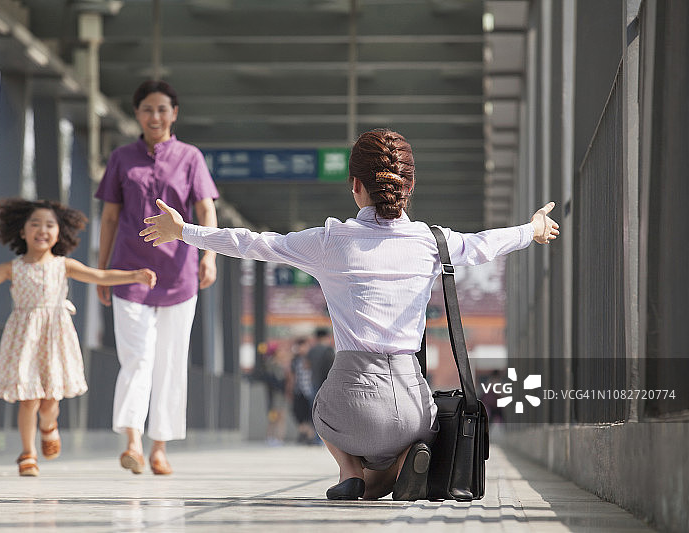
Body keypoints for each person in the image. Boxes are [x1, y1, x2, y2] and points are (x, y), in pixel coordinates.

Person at [139, 128, 559, 500]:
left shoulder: (331, 240)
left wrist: (184, 232)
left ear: (356, 185)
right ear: (409, 187)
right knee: (397, 446)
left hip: (351, 399)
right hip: (416, 406)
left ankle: (351, 471)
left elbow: (252, 242)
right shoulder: (433, 242)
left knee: (320, 409)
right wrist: (533, 229)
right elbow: (485, 243)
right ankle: (399, 465)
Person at [0, 198, 156, 477]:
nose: (43, 229)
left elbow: (99, 275)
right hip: (24, 339)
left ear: (58, 232)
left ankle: (49, 426)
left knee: (49, 402)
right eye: (35, 224)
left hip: (55, 338)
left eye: (49, 225)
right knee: (28, 398)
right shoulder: (12, 268)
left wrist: (133, 276)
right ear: (22, 231)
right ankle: (28, 453)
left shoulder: (63, 265)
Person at [94, 80, 219, 475]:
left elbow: (205, 208)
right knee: (137, 356)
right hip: (130, 271)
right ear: (137, 114)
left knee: (170, 360)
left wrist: (209, 255)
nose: (155, 116)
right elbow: (110, 217)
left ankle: (160, 445)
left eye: (162, 109)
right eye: (147, 109)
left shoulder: (190, 157)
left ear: (174, 113)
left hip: (180, 273)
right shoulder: (121, 158)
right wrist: (102, 272)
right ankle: (132, 439)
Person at [307, 327, 335, 396]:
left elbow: (307, 366)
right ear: (325, 337)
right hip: (327, 382)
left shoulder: (312, 350)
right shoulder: (329, 350)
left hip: (315, 381)